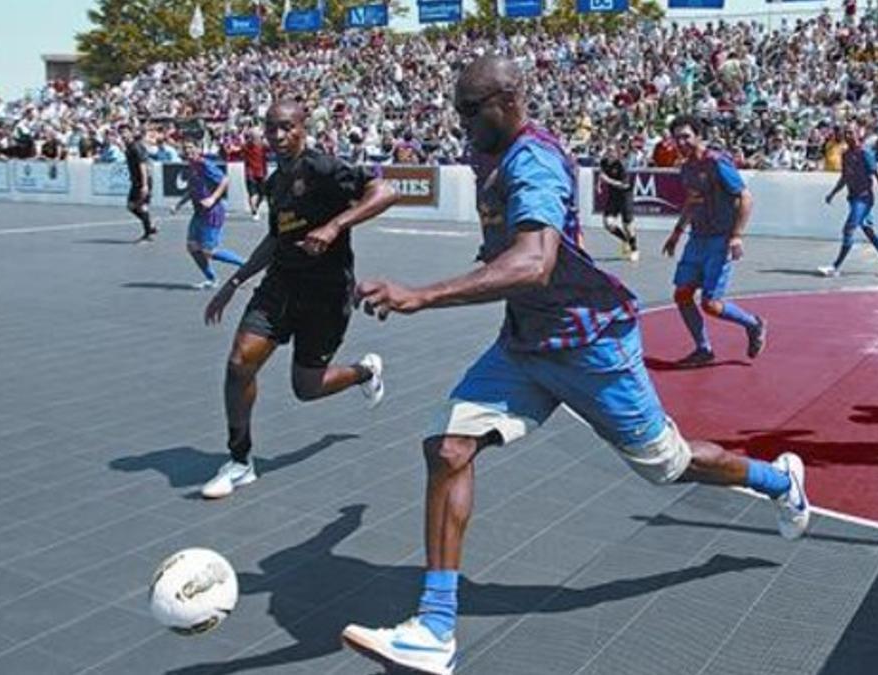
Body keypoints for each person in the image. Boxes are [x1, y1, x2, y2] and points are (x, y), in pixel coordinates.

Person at [340, 56, 809, 675]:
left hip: (590, 345)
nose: (459, 125)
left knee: (669, 467)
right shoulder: (492, 152)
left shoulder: (532, 158)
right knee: (448, 447)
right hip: (526, 343)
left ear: (508, 102)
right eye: (456, 111)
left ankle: (779, 482)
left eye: (468, 111)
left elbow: (534, 261)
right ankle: (434, 627)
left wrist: (421, 294)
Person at [199, 100, 399, 499]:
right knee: (240, 364)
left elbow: (386, 191)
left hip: (326, 293)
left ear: (303, 127)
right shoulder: (275, 182)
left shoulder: (324, 168)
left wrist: (335, 225)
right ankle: (240, 461)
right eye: (271, 129)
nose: (278, 136)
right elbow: (276, 239)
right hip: (280, 286)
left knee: (306, 388)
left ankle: (364, 372)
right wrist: (234, 281)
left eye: (287, 127)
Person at [661, 114, 766, 366]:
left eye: (686, 136)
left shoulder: (717, 162)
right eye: (677, 138)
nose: (682, 142)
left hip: (720, 240)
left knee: (711, 304)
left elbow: (746, 198)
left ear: (698, 136)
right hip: (697, 238)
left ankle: (754, 324)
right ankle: (703, 349)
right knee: (682, 294)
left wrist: (736, 236)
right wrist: (676, 233)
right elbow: (693, 200)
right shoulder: (686, 167)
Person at [820, 122, 878, 277]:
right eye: (846, 133)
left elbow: (877, 174)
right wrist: (833, 193)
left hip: (864, 199)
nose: (848, 136)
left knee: (849, 228)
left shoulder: (865, 153)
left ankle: (835, 267)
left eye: (850, 132)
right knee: (869, 230)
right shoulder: (846, 154)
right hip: (853, 198)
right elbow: (845, 177)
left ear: (857, 134)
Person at [170, 138, 246, 290]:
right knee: (192, 247)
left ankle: (246, 264)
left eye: (191, 148)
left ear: (198, 149)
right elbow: (192, 190)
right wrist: (178, 204)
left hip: (212, 212)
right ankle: (212, 279)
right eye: (185, 149)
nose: (188, 151)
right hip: (198, 213)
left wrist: (212, 198)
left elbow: (224, 180)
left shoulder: (205, 164)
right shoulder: (191, 167)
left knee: (209, 251)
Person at [598, 142, 639, 262]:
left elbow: (624, 185)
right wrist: (599, 185)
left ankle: (634, 249)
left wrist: (608, 181)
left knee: (628, 226)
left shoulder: (622, 165)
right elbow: (602, 174)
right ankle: (625, 240)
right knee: (608, 223)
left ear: (617, 153)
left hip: (625, 196)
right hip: (613, 196)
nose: (609, 153)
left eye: (612, 151)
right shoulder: (604, 162)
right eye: (608, 150)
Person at [122, 123, 158, 242]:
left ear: (131, 133)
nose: (123, 135)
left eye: (125, 132)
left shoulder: (136, 147)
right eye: (121, 132)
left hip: (143, 181)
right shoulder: (129, 147)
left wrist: (144, 185)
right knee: (131, 206)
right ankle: (150, 225)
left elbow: (142, 165)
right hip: (136, 181)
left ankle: (148, 233)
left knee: (141, 206)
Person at [242, 129, 268, 222]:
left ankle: (255, 210)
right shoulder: (261, 146)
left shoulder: (246, 146)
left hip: (257, 172)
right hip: (254, 173)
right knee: (255, 194)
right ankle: (254, 211)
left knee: (257, 194)